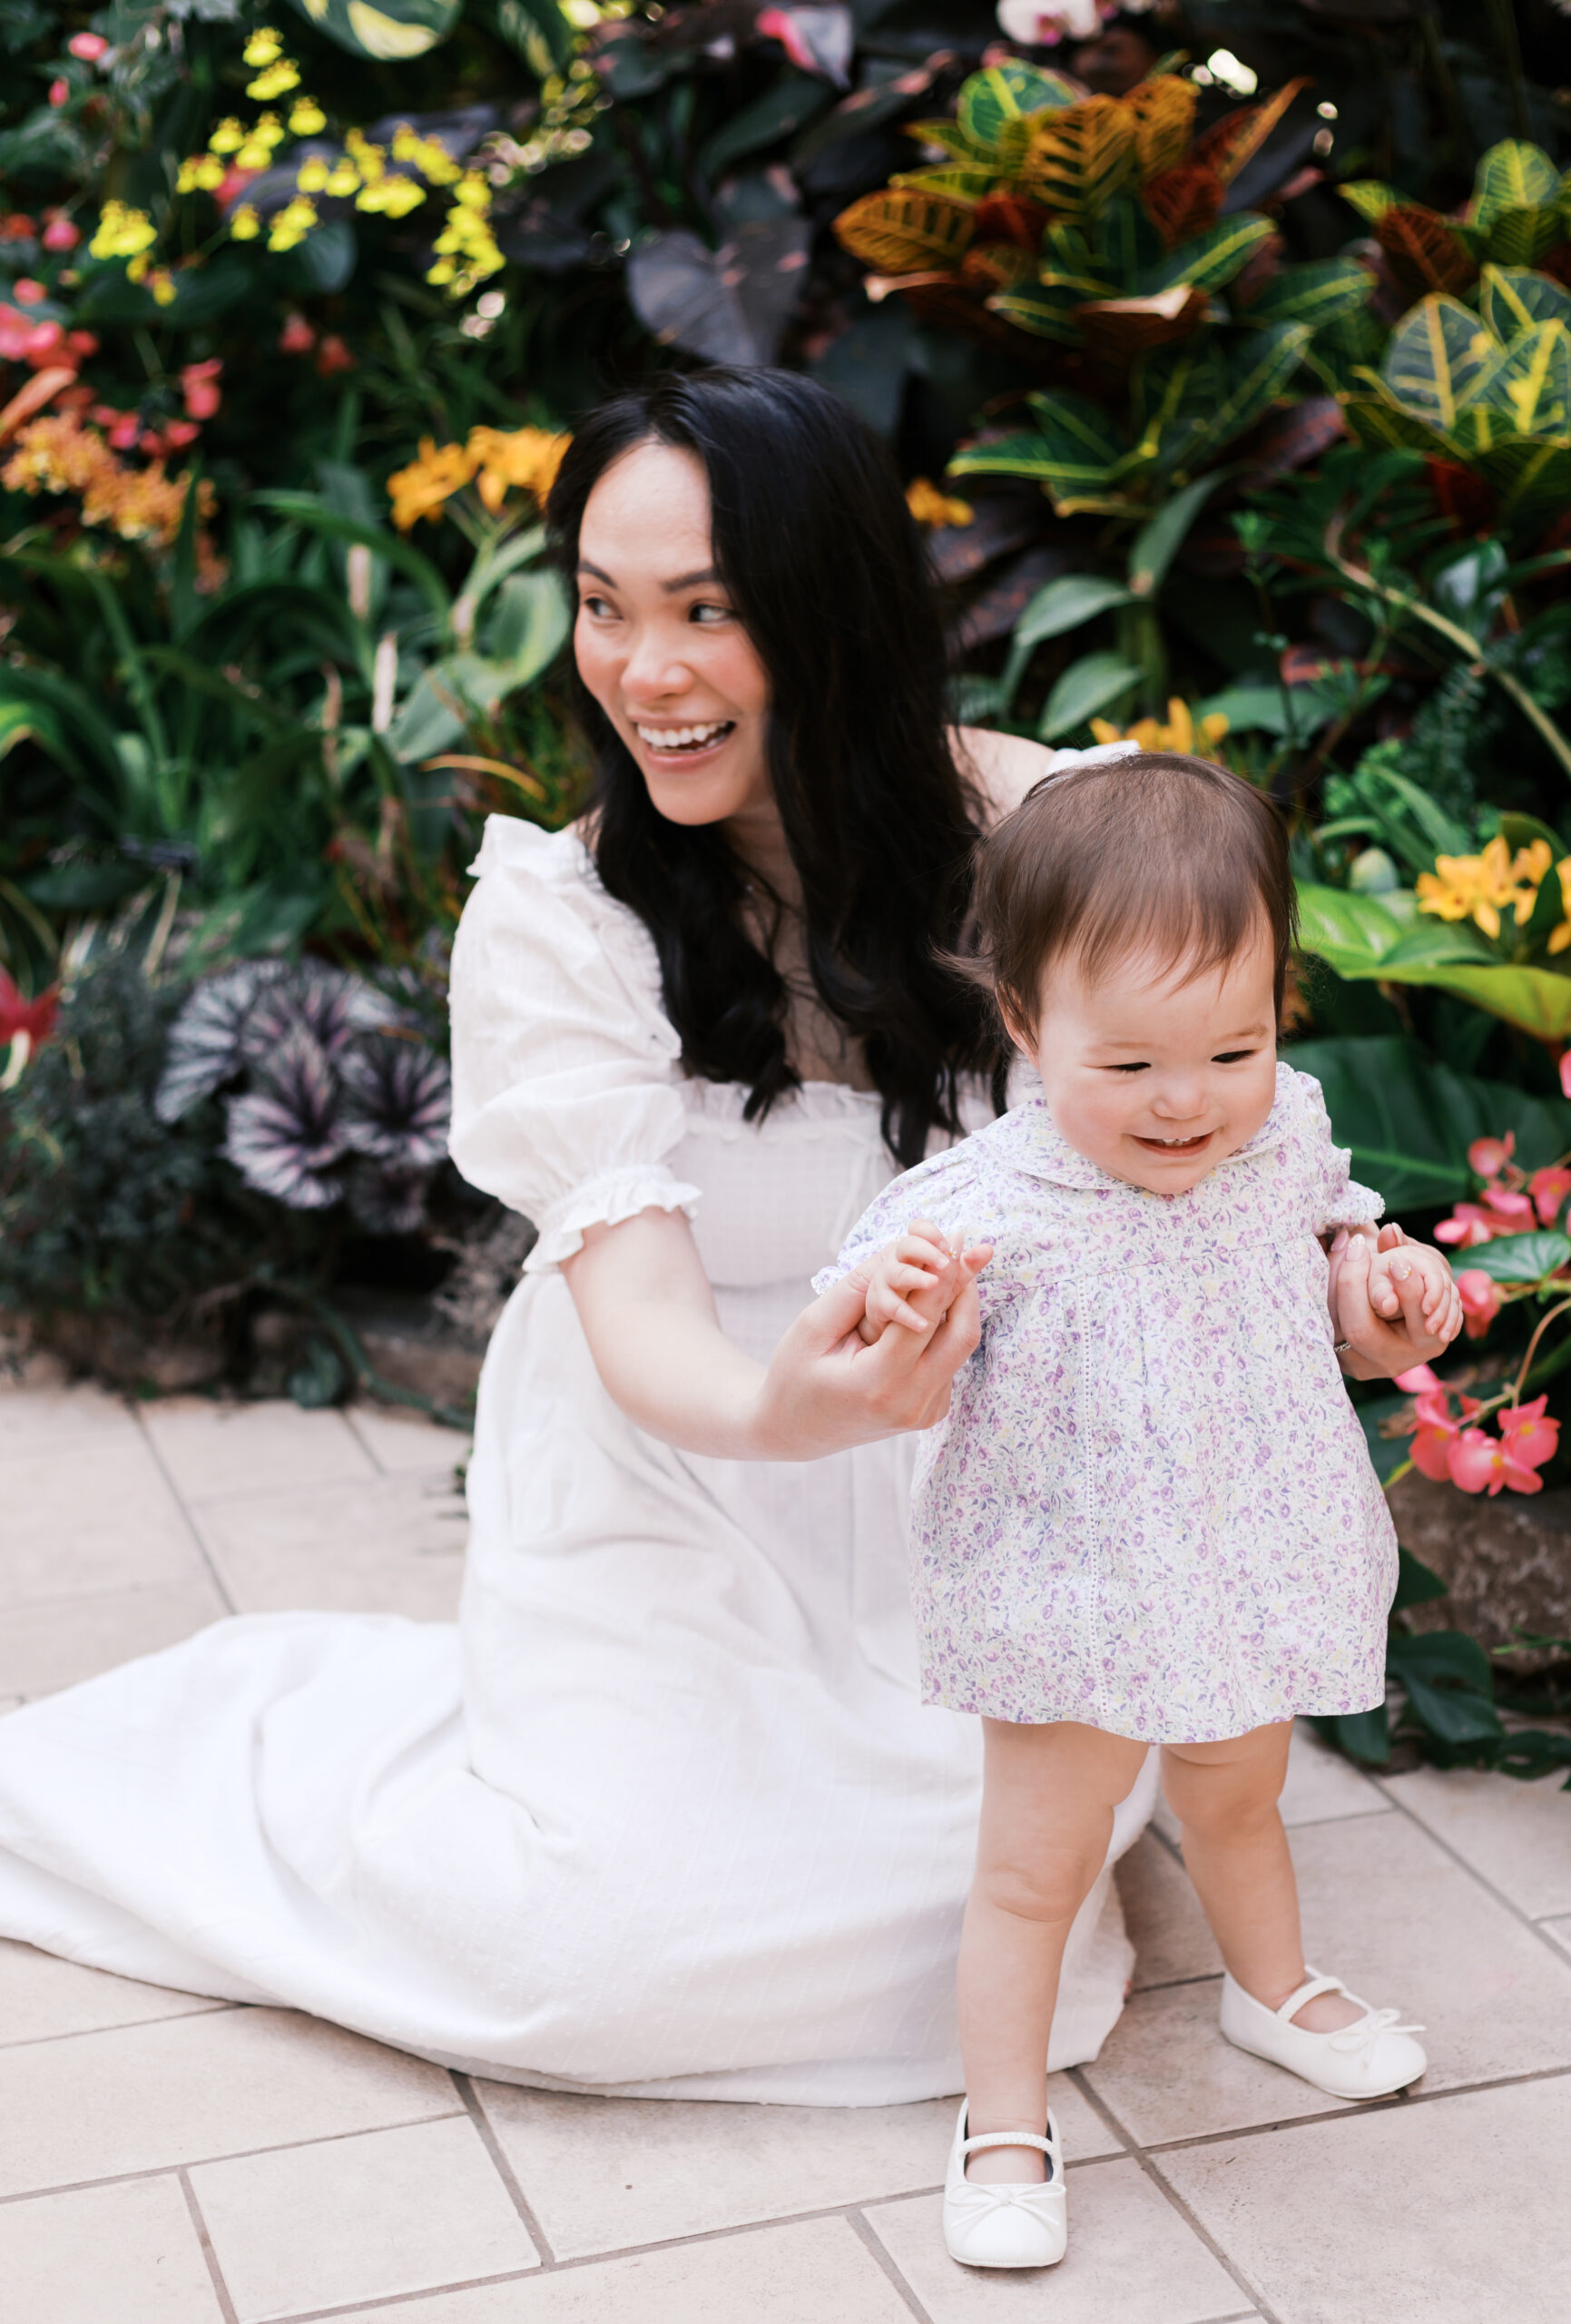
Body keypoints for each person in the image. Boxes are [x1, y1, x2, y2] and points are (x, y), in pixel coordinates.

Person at [0, 369, 1144, 2098]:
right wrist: (792, 1410)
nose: (641, 671)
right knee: (593, 1958)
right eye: (606, 609)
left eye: (707, 611)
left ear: (829, 609)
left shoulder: (1070, 841)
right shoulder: (560, 918)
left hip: (976, 1494)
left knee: (986, 1917)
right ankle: (249, 1754)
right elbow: (649, 1334)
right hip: (674, 1482)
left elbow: (1202, 1144)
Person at [818, 751, 1460, 2260]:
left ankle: (1274, 1984)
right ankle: (1003, 2118)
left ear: (1276, 1013)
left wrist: (1390, 1303)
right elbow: (852, 1323)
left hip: (1245, 1548)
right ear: (1030, 1025)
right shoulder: (978, 1201)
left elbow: (1344, 1301)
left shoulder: (1282, 1130)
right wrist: (898, 1304)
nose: (1189, 1104)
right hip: (1070, 1579)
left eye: (1230, 1051)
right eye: (1132, 1068)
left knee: (1240, 1794)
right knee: (1037, 1861)